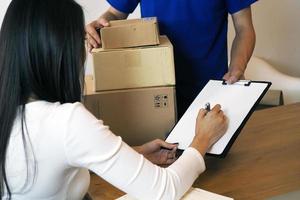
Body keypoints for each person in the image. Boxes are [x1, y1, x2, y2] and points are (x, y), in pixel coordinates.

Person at [0, 0, 228, 199]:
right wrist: (203, 139)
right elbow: (165, 190)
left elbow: (55, 161)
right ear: (59, 54)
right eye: (79, 41)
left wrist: (134, 153)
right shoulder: (67, 121)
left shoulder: (10, 112)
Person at [86, 0, 257, 117]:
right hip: (155, 91)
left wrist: (237, 68)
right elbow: (114, 15)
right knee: (163, 163)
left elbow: (244, 28)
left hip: (210, 91)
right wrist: (100, 26)